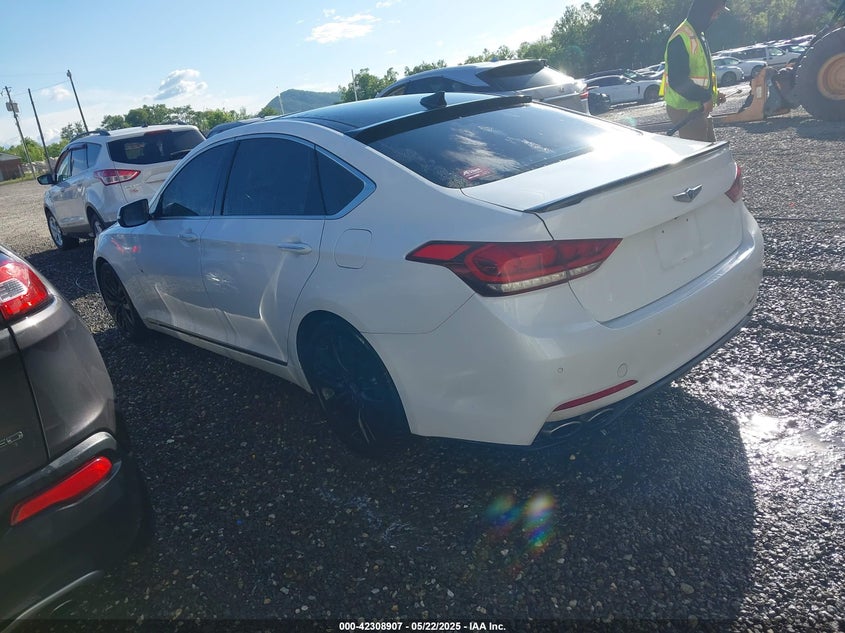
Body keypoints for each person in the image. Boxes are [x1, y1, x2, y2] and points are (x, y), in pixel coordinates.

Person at [661, 0, 729, 141]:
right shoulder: (680, 38)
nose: (716, 18)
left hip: (697, 106)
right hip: (686, 109)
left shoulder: (698, 35)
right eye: (715, 14)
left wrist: (713, 95)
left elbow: (700, 74)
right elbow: (678, 80)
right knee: (700, 152)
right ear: (704, 12)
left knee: (711, 149)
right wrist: (705, 97)